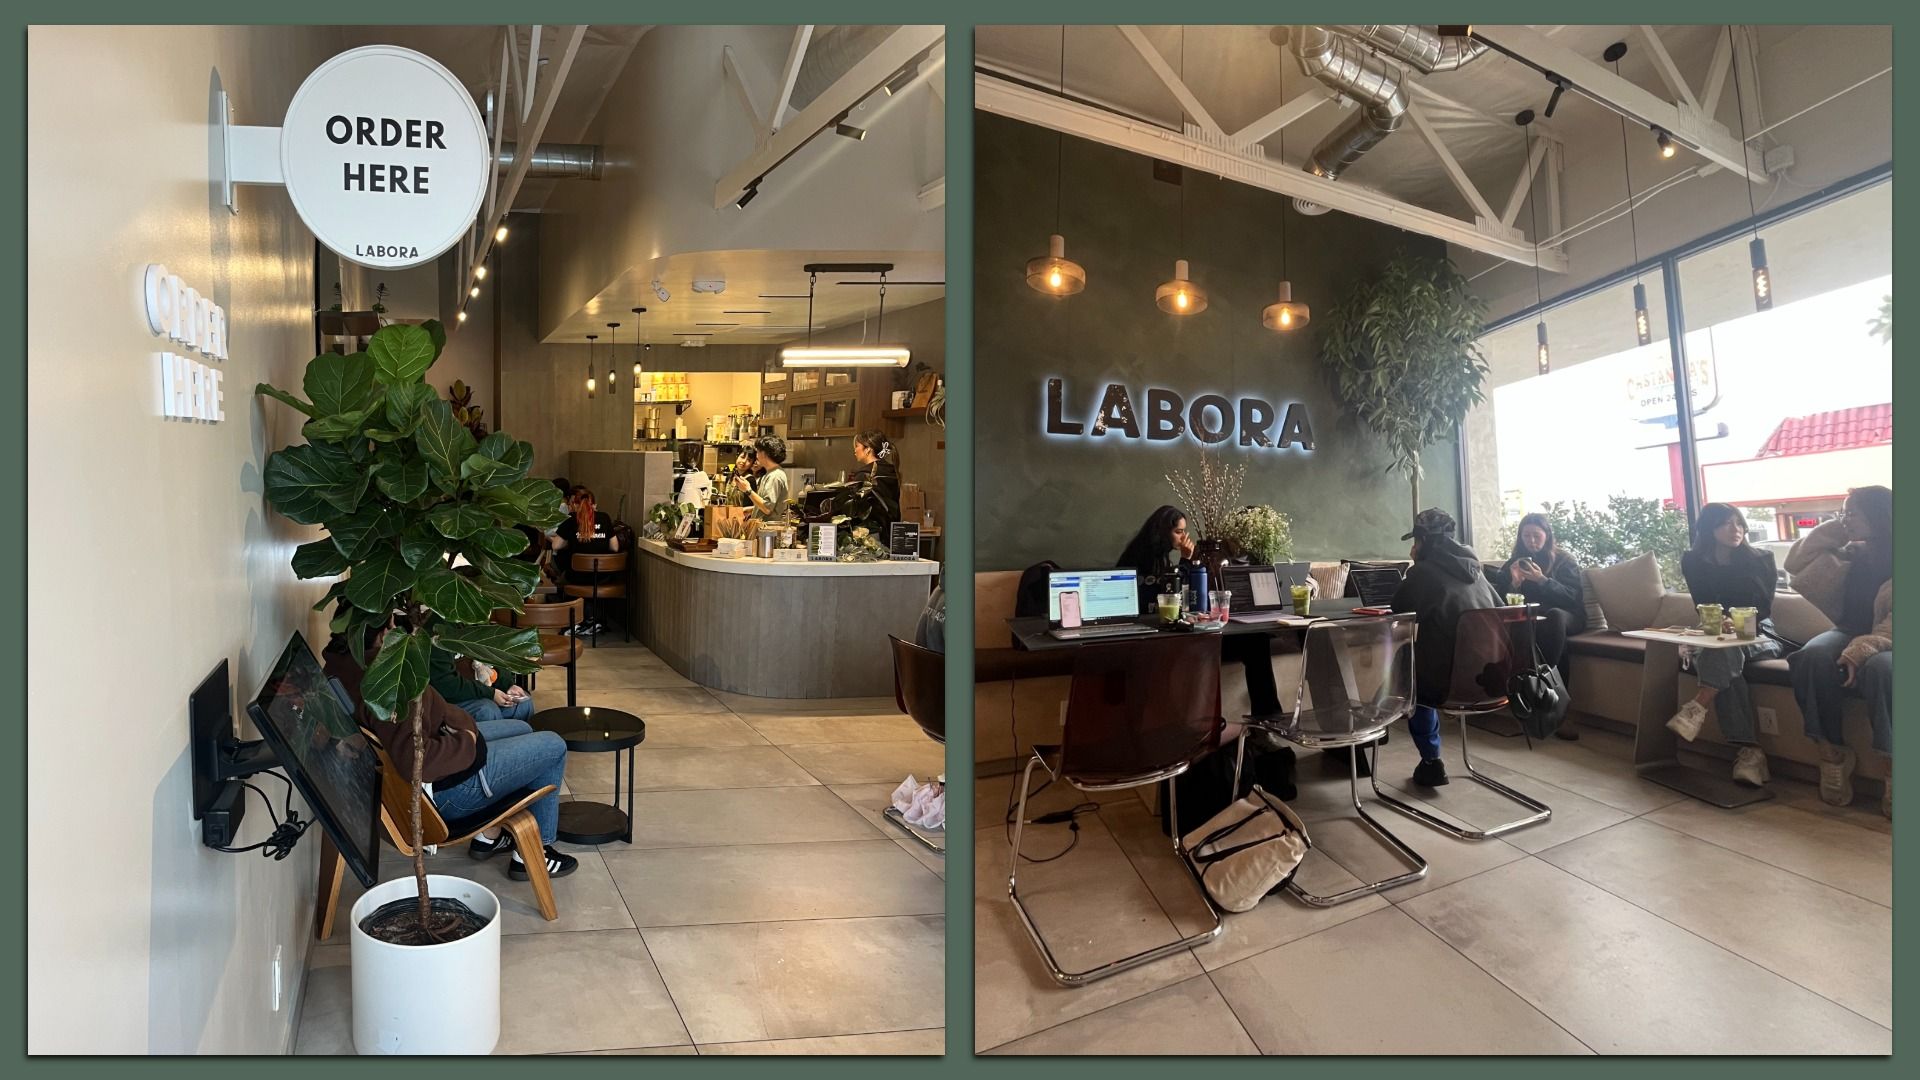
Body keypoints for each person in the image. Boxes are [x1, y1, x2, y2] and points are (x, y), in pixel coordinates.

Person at [322, 631, 577, 881]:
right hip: (449, 792)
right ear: (381, 635)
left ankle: (488, 836)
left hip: (441, 752)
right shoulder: (393, 684)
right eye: (390, 627)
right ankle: (533, 852)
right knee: (554, 745)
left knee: (523, 728)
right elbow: (419, 762)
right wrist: (465, 736)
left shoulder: (344, 665)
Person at [1786, 486, 1893, 814]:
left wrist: (1862, 649)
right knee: (1810, 656)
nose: (1846, 519)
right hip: (1849, 630)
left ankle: (1894, 769)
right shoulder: (1852, 552)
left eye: (1852, 513)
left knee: (1881, 668)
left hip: (1893, 636)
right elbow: (1796, 561)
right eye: (1843, 513)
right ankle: (1831, 753)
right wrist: (1836, 526)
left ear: (1878, 515)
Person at [1667, 503, 1782, 787]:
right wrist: (1720, 623)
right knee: (1727, 661)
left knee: (1723, 650)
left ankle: (1697, 707)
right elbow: (1702, 605)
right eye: (1727, 523)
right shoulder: (1694, 561)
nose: (1737, 529)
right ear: (1710, 528)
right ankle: (1750, 755)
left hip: (1759, 631)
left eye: (1739, 523)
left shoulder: (1762, 559)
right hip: (1717, 631)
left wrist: (1735, 623)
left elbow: (1763, 609)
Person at [1393, 508, 1501, 787]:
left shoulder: (1424, 572)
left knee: (1407, 659)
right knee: (1425, 658)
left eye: (1415, 542)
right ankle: (1430, 759)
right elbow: (1502, 611)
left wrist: (1415, 569)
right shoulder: (1478, 572)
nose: (1412, 548)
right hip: (1492, 681)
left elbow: (1397, 608)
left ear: (1424, 541)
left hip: (1446, 685)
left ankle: (1430, 759)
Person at [1487, 514, 1587, 740]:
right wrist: (1514, 583)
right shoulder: (1515, 562)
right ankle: (1535, 702)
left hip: (1568, 616)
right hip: (1534, 619)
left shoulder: (1563, 560)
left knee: (1554, 619)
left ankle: (1545, 684)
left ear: (1547, 536)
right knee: (1523, 629)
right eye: (1526, 536)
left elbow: (1572, 598)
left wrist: (1543, 580)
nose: (1531, 541)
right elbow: (1501, 601)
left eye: (1536, 536)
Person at [551, 485, 621, 635]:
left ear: (575, 505)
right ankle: (592, 620)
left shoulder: (571, 521)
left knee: (562, 567)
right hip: (602, 577)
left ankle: (577, 621)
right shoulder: (605, 518)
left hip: (576, 577)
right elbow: (615, 547)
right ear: (593, 504)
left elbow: (556, 545)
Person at [1116, 504, 1195, 612]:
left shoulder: (1159, 554)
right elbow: (1172, 594)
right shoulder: (1144, 555)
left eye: (1183, 531)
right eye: (1178, 532)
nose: (1184, 537)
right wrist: (1185, 560)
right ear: (1164, 532)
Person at [431, 645, 534, 726]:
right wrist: (490, 693)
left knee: (524, 703)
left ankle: (519, 746)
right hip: (450, 699)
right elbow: (448, 686)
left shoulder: (474, 623)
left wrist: (508, 685)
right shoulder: (436, 636)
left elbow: (495, 657)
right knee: (487, 710)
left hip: (482, 689)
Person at [838, 430, 903, 533]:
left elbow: (853, 511)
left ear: (868, 449)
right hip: (889, 533)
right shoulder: (892, 471)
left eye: (857, 446)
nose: (854, 450)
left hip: (868, 535)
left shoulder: (864, 474)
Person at [734, 435, 792, 521]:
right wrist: (750, 510)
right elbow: (768, 506)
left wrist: (748, 490)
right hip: (763, 529)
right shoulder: (770, 474)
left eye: (757, 452)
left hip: (768, 531)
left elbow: (767, 508)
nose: (756, 457)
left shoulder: (775, 476)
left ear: (764, 453)